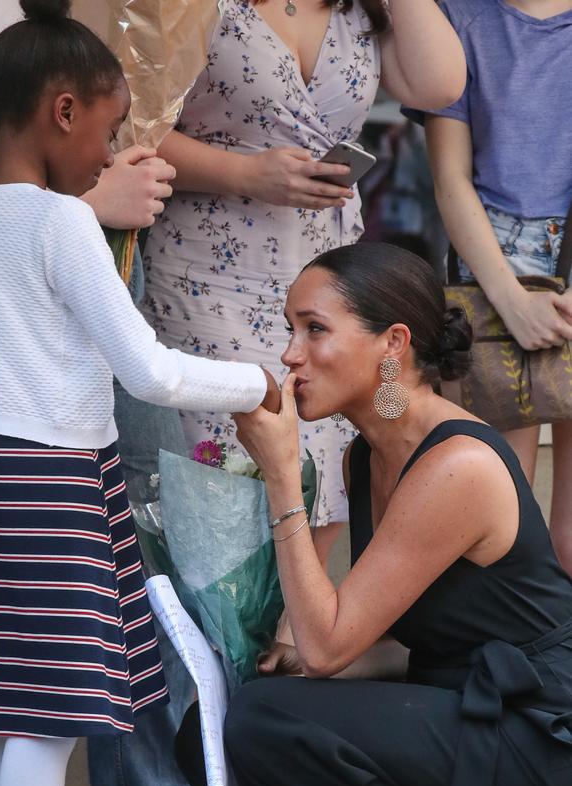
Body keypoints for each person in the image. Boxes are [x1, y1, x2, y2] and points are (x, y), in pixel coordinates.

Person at [0, 2, 281, 786]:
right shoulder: (60, 221)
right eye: (111, 126)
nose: (115, 149)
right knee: (40, 719)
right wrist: (257, 384)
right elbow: (149, 371)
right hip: (46, 483)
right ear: (61, 109)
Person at [176, 241, 572, 786]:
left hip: (546, 741)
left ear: (392, 344)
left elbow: (326, 644)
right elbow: (395, 641)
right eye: (289, 329)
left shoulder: (455, 464)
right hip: (476, 719)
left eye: (314, 329)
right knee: (216, 723)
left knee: (268, 726)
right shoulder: (370, 455)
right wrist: (298, 658)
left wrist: (282, 477)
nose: (291, 355)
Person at [142, 0, 467, 568]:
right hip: (209, 268)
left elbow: (439, 83)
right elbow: (130, 125)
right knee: (226, 453)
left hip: (325, 270)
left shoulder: (358, 7)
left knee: (325, 439)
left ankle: (293, 631)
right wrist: (243, 173)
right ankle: (221, 640)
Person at [420, 0, 572, 574]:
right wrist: (512, 303)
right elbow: (449, 179)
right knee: (504, 524)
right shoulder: (459, 18)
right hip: (490, 276)